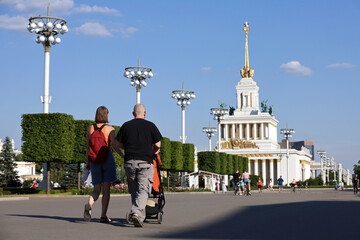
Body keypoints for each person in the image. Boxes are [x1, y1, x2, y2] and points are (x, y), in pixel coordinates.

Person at [115, 104, 162, 227]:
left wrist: (128, 148)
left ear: (133, 113)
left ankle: (139, 216)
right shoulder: (151, 126)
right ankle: (136, 213)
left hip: (129, 162)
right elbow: (158, 144)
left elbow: (117, 143)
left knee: (134, 191)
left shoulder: (126, 125)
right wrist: (152, 152)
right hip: (145, 162)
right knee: (143, 190)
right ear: (145, 113)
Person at [84, 106, 124, 223]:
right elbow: (115, 145)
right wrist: (123, 156)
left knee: (96, 189)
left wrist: (88, 163)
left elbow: (88, 148)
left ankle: (90, 204)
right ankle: (103, 216)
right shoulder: (109, 129)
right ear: (106, 115)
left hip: (95, 160)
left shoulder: (90, 128)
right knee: (106, 189)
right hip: (107, 159)